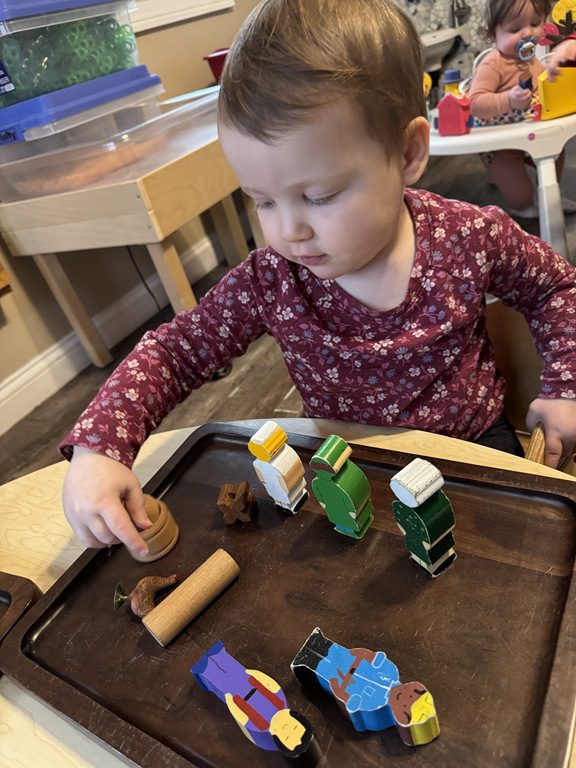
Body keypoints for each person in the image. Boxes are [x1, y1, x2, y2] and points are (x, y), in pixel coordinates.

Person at [60, 0, 576, 558]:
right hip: (345, 468)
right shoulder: (272, 278)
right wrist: (99, 448)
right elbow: (175, 351)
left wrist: (565, 387)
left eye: (319, 196)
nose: (289, 231)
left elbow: (556, 288)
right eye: (262, 200)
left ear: (407, 153)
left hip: (473, 450)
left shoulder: (470, 236)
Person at [468, 0, 576, 218]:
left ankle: (549, 195)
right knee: (520, 196)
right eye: (515, 29)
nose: (527, 33)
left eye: (535, 24)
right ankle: (524, 206)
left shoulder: (531, 60)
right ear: (494, 33)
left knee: (555, 151)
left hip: (530, 132)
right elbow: (475, 104)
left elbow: (540, 86)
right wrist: (509, 99)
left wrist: (551, 76)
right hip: (500, 146)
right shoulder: (492, 64)